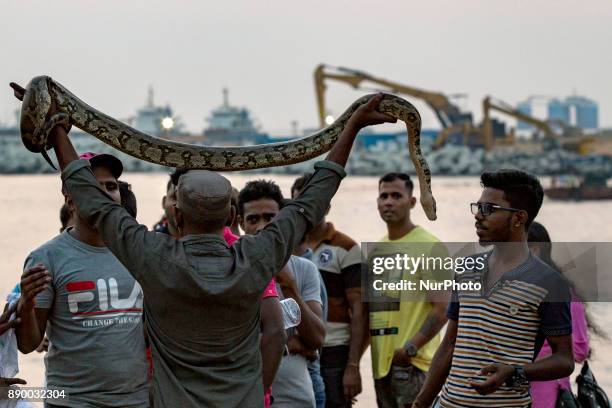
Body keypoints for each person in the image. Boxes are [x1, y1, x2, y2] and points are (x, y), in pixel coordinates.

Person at [12, 81, 395, 407]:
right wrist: (352, 128)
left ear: (175, 217)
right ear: (233, 219)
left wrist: (57, 129)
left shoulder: (152, 257)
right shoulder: (259, 257)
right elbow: (312, 202)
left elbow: (94, 205)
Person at [413, 170, 575, 408]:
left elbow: (564, 359)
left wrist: (515, 372)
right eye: (477, 207)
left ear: (519, 218)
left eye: (489, 209)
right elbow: (449, 344)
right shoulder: (468, 268)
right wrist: (421, 403)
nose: (478, 216)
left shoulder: (549, 283)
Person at [15, 152, 150, 407]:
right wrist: (26, 303)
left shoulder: (138, 251)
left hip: (136, 399)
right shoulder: (46, 258)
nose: (106, 194)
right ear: (71, 202)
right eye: (94, 187)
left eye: (111, 186)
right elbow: (27, 344)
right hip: (71, 401)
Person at [238, 179, 326, 408]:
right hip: (246, 398)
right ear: (240, 223)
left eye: (270, 218)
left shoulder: (304, 269)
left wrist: (288, 285)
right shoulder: (231, 270)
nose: (261, 226)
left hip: (296, 400)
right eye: (253, 219)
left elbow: (316, 338)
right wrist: (289, 344)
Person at [370, 172, 449, 408]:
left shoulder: (430, 246)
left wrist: (410, 348)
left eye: (396, 195)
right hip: (381, 367)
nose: (388, 202)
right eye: (383, 196)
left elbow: (443, 308)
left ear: (412, 202)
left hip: (414, 364)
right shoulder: (377, 250)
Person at [292, 174, 368, 408]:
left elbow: (360, 310)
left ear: (327, 205)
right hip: (296, 349)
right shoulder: (286, 246)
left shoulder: (347, 248)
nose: (308, 209)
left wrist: (353, 366)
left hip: (335, 351)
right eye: (301, 203)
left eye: (314, 202)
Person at [528, 221, 591, 408]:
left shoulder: (564, 293)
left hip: (546, 394)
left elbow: (579, 350)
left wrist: (544, 352)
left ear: (536, 249)